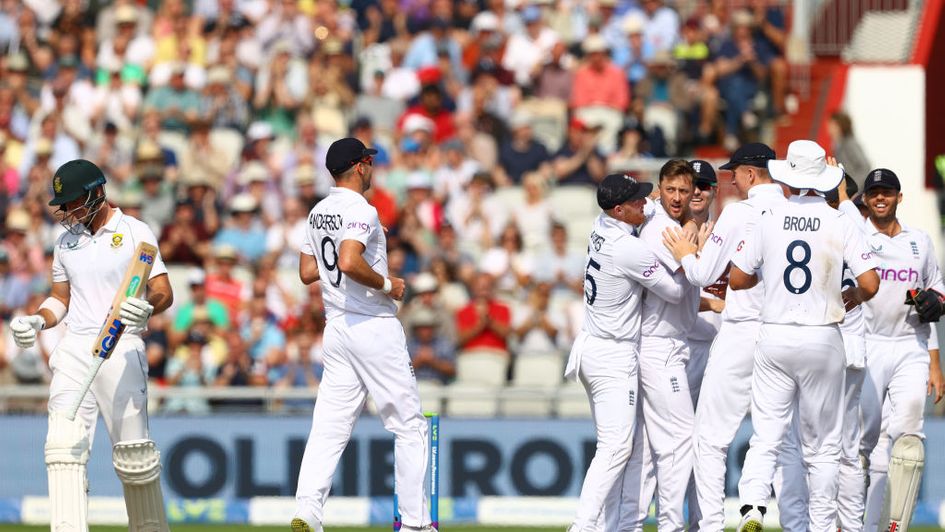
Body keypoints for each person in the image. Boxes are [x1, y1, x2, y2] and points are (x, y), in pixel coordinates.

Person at [8, 159, 174, 530]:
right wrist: (37, 320)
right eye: (62, 205)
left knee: (135, 457)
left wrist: (146, 308)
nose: (66, 211)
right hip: (76, 347)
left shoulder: (134, 231)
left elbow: (162, 290)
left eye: (72, 202)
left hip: (122, 343)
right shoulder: (66, 242)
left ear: (98, 192)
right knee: (63, 446)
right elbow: (59, 298)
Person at [725, 140, 879, 530]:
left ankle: (753, 508)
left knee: (767, 434)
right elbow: (871, 284)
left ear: (787, 176)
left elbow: (739, 278)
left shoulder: (769, 216)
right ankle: (824, 525)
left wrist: (770, 271)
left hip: (775, 334)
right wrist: (854, 295)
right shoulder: (840, 219)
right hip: (822, 337)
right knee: (823, 447)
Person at [292, 138, 434, 532]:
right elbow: (350, 260)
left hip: (336, 326)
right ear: (359, 166)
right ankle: (416, 524)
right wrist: (389, 284)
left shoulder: (319, 211)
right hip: (372, 324)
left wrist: (351, 258)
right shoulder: (362, 210)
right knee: (409, 425)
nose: (372, 167)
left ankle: (308, 510)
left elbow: (307, 272)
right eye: (370, 161)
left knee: (329, 426)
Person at [662, 143, 786, 531]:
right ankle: (791, 520)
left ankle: (712, 525)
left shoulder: (738, 213)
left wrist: (685, 252)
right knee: (780, 440)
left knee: (711, 439)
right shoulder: (796, 211)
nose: (732, 180)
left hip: (742, 331)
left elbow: (700, 275)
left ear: (751, 174)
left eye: (735, 174)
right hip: (785, 334)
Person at [566, 173, 685, 532]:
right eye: (635, 201)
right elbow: (676, 293)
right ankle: (583, 526)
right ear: (618, 209)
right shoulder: (628, 249)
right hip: (613, 356)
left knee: (616, 446)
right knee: (616, 448)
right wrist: (688, 252)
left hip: (592, 347)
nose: (644, 204)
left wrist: (649, 211)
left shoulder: (601, 226)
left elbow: (641, 214)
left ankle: (602, 526)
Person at [838, 168, 945, 532]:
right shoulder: (856, 234)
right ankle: (854, 524)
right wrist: (836, 178)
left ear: (900, 197)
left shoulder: (921, 241)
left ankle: (893, 526)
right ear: (865, 200)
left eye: (888, 192)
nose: (880, 198)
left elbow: (936, 288)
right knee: (864, 444)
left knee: (909, 439)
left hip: (910, 346)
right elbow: (839, 200)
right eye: (874, 193)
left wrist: (937, 305)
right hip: (868, 346)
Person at [607, 160, 700, 531]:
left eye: (684, 191)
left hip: (660, 344)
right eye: (671, 190)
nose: (677, 198)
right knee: (680, 440)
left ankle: (626, 524)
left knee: (645, 449)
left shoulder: (667, 225)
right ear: (660, 190)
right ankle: (671, 525)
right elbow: (683, 285)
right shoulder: (662, 229)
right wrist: (697, 246)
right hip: (660, 348)